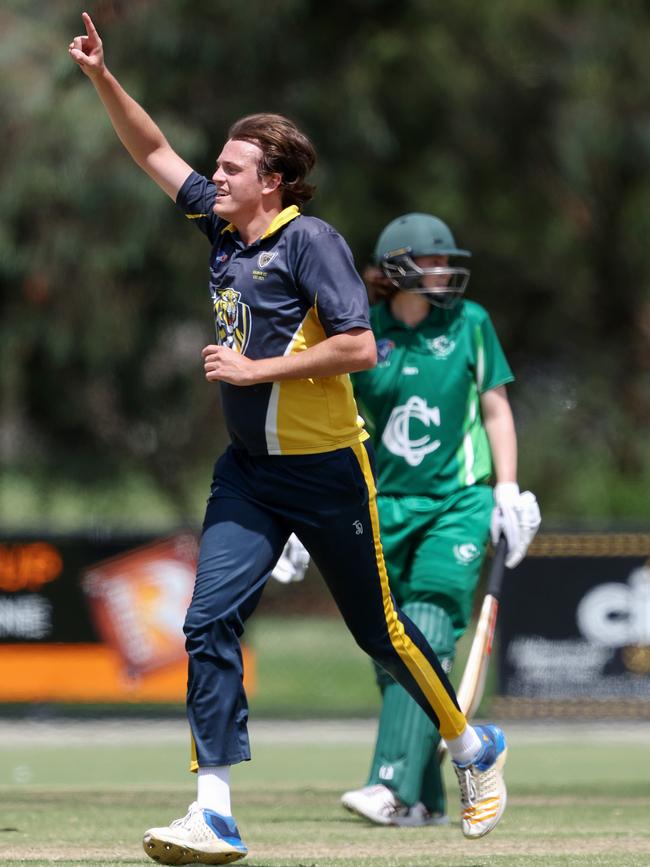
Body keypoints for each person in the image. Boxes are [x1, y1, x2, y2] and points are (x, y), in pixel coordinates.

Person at [69, 15, 512, 864]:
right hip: (249, 475)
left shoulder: (309, 241)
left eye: (232, 167)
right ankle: (214, 810)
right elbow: (154, 151)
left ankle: (469, 743)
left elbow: (359, 345)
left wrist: (252, 370)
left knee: (379, 629)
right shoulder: (225, 229)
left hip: (327, 473)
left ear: (271, 182)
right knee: (207, 622)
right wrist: (101, 78)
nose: (215, 176)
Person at [335, 212, 540, 827]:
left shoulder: (471, 324)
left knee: (425, 621)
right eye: (433, 261)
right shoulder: (363, 334)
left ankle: (390, 785)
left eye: (448, 261)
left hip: (458, 502)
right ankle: (424, 798)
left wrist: (506, 489)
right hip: (382, 508)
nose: (446, 272)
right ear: (397, 267)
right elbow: (339, 426)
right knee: (388, 653)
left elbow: (495, 410)